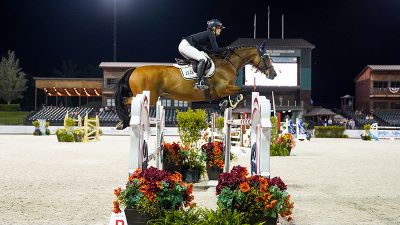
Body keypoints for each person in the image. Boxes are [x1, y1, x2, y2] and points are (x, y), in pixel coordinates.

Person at [178, 19, 230, 90]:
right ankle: (199, 82)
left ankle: (197, 79)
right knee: (203, 59)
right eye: (219, 28)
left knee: (203, 57)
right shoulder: (210, 34)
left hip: (184, 45)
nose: (220, 30)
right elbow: (216, 50)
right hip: (186, 46)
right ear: (214, 28)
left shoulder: (208, 35)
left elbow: (210, 50)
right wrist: (228, 48)